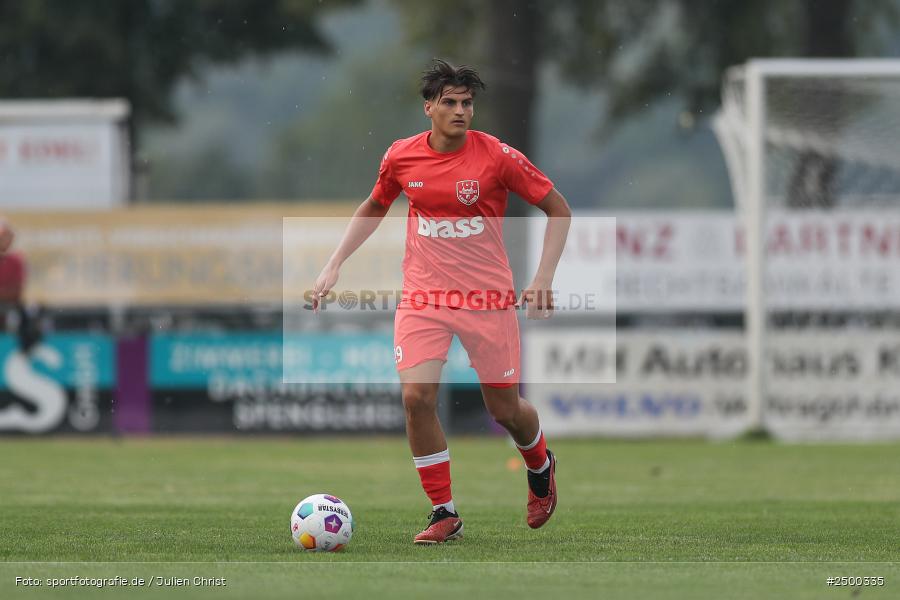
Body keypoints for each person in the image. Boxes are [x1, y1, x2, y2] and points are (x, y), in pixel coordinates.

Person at [312, 59, 571, 544]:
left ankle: (539, 462)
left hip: (487, 299)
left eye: (467, 103)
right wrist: (334, 263)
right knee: (416, 397)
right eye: (449, 102)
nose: (460, 111)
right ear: (428, 107)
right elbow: (374, 205)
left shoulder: (496, 156)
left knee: (505, 410)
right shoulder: (401, 157)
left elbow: (558, 209)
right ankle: (443, 512)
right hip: (423, 295)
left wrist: (543, 277)